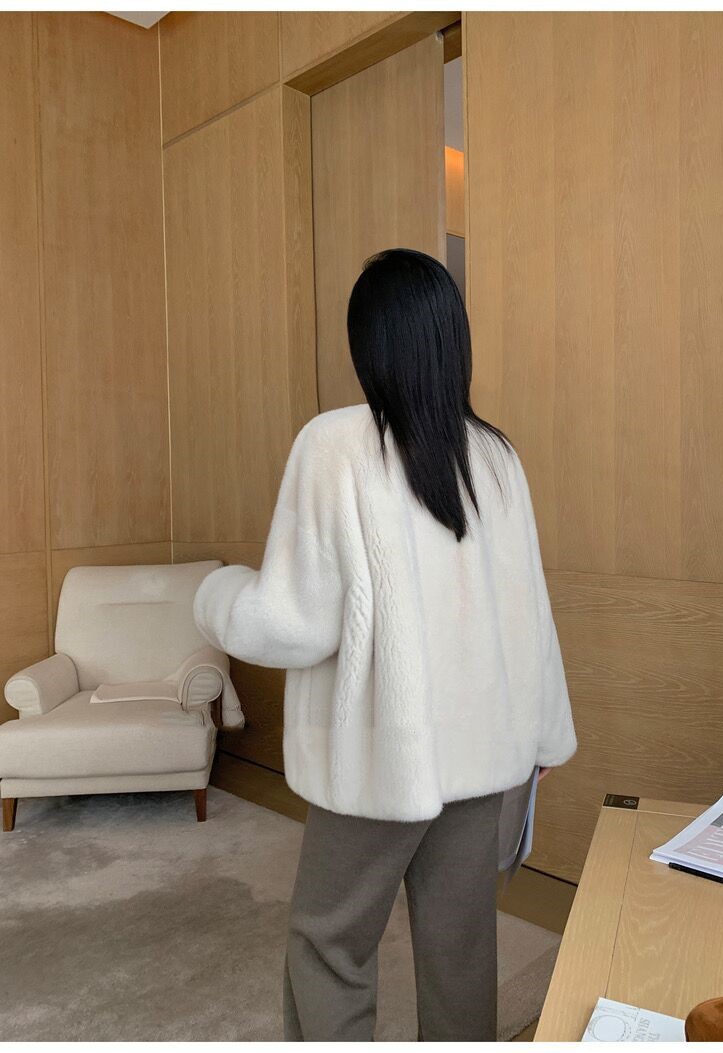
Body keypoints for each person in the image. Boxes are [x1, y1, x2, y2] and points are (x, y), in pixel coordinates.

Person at [193, 248, 577, 1041]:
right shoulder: (497, 456)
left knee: (329, 943)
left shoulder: (336, 445)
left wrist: (215, 595)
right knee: (460, 949)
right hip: (486, 760)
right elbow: (532, 616)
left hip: (382, 759)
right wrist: (542, 738)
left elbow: (293, 622)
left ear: (368, 343)